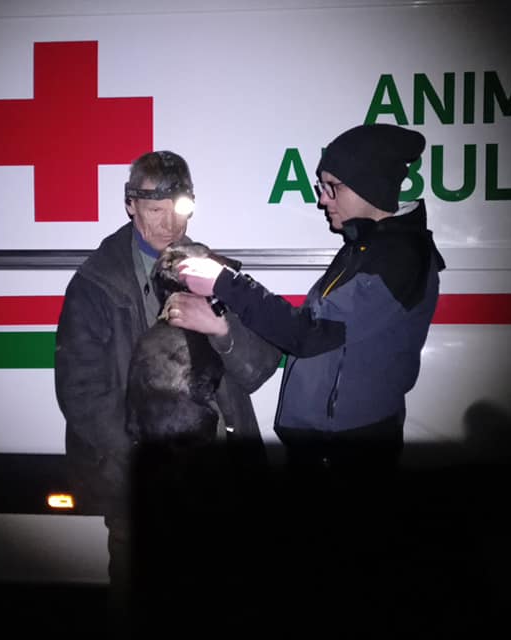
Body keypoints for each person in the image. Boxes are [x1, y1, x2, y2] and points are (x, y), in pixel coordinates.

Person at [173, 124, 444, 630]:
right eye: (322, 187)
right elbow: (316, 328)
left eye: (332, 187)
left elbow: (307, 334)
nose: (322, 200)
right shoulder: (366, 247)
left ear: (370, 185)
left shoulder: (396, 261)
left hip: (346, 457)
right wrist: (226, 308)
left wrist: (227, 283)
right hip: (328, 450)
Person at [53, 150, 281, 636]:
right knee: (140, 603)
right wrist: (143, 464)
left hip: (218, 478)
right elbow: (81, 392)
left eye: (181, 209)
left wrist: (222, 330)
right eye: (156, 210)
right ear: (131, 205)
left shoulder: (217, 274)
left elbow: (261, 368)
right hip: (142, 487)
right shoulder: (95, 284)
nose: (171, 225)